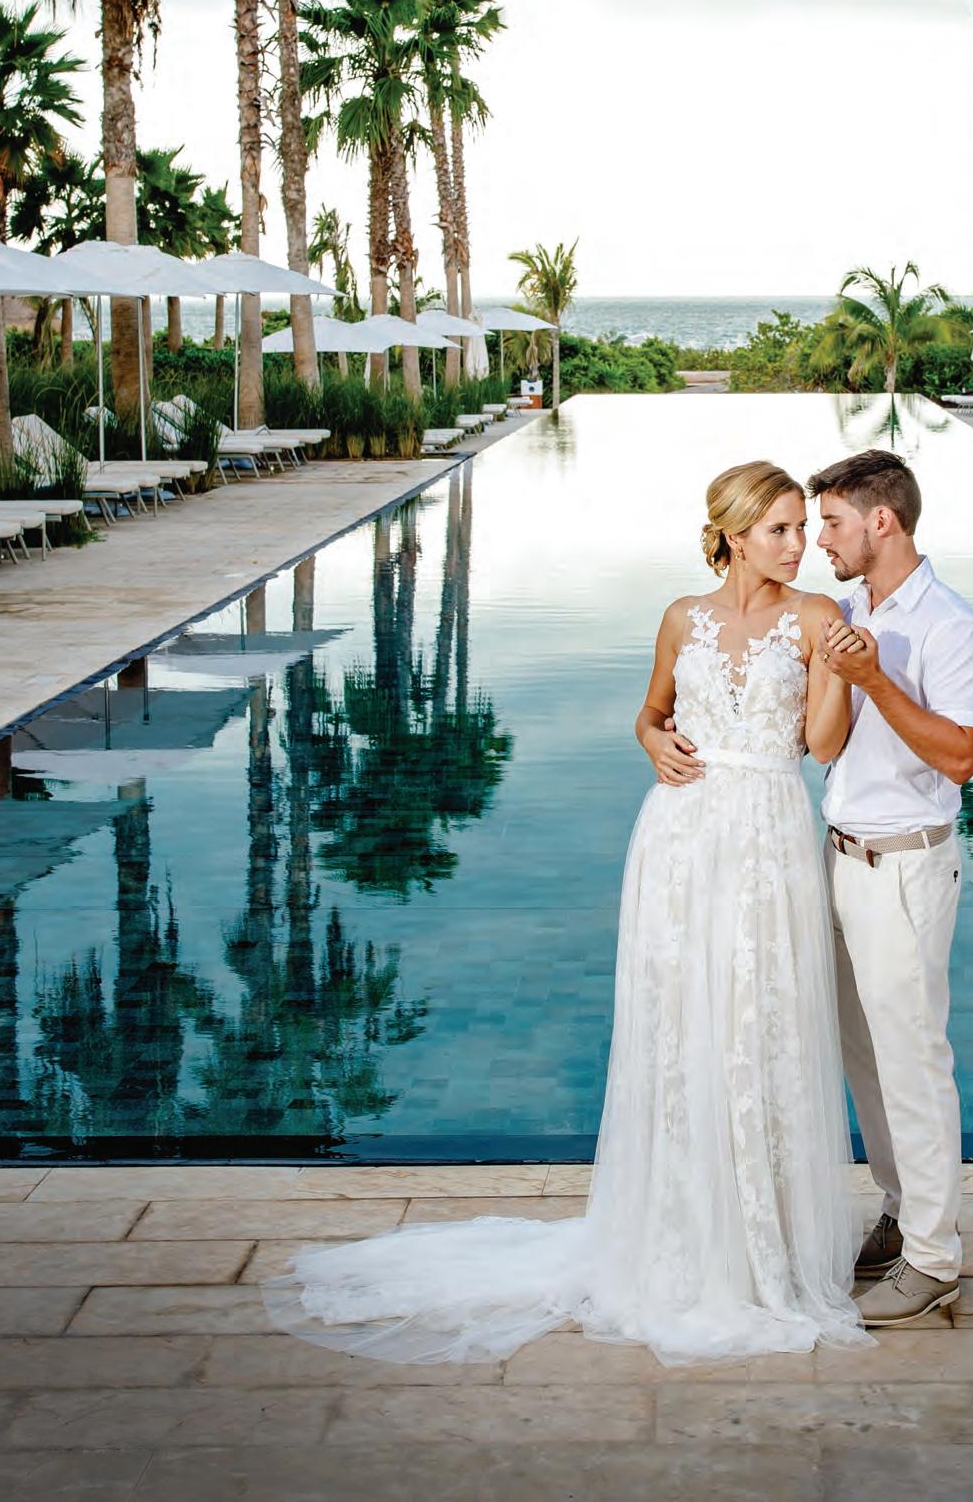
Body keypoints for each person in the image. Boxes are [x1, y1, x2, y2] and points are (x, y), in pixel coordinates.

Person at [265, 461, 871, 1365]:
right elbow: (650, 713)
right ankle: (679, 1232)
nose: (798, 545)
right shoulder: (682, 617)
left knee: (763, 1022)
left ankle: (763, 1243)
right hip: (679, 838)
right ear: (734, 534)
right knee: (681, 1029)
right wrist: (652, 739)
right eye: (780, 529)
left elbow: (822, 746)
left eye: (800, 528)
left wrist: (842, 673)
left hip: (770, 834)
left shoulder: (820, 617)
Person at [804, 449, 973, 1327]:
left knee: (913, 1062)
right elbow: (824, 742)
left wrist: (875, 679)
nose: (820, 542)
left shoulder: (954, 629)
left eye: (832, 523)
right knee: (864, 1057)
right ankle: (901, 1206)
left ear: (881, 520)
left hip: (905, 866)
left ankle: (934, 1258)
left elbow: (961, 757)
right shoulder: (845, 613)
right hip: (838, 859)